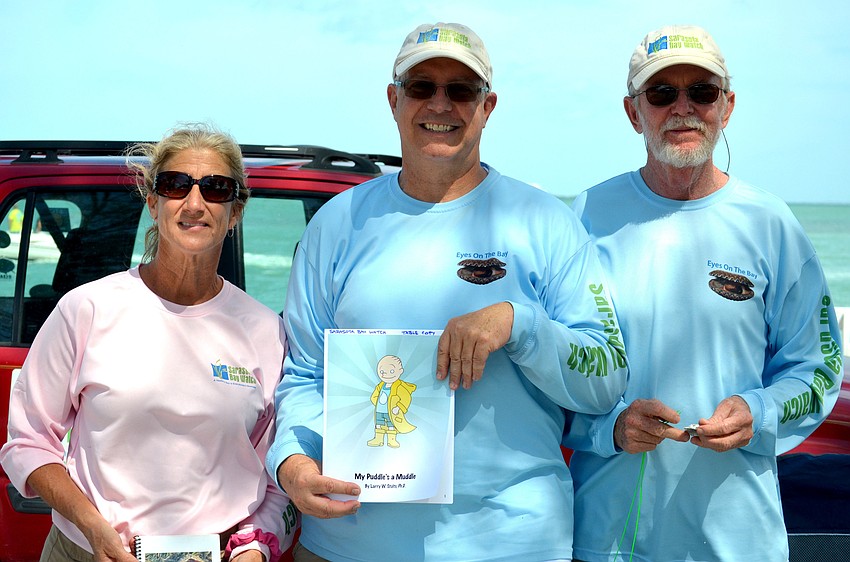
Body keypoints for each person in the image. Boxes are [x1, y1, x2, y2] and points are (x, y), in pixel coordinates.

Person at [266, 22, 628, 562]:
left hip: (512, 545)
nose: (440, 103)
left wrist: (520, 324)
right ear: (394, 100)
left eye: (461, 89)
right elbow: (304, 375)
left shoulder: (546, 223)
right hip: (348, 544)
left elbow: (605, 377)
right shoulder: (335, 225)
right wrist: (292, 462)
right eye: (421, 87)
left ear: (488, 106)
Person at [564, 25, 844, 562]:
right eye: (662, 93)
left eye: (702, 92)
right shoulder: (584, 218)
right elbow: (549, 381)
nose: (683, 107)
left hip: (738, 544)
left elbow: (819, 368)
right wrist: (612, 428)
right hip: (607, 541)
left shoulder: (771, 224)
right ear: (633, 112)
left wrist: (757, 411)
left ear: (727, 106)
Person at [0, 125, 295, 562]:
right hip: (89, 551)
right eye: (176, 185)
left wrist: (257, 548)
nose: (194, 203)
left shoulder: (266, 331)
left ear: (235, 212)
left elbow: (278, 478)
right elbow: (27, 443)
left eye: (216, 188)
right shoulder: (87, 310)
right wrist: (92, 527)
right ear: (153, 202)